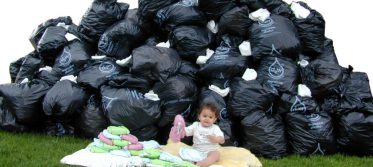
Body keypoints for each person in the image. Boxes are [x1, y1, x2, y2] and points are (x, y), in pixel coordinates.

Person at [170, 102, 225, 167]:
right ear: (199, 116)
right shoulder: (195, 125)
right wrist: (181, 130)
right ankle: (178, 129)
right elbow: (186, 132)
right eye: (204, 116)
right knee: (183, 152)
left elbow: (222, 140)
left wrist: (216, 139)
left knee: (216, 154)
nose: (207, 118)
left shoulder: (215, 128)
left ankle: (202, 164)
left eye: (210, 117)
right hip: (197, 151)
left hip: (210, 151)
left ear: (214, 119)